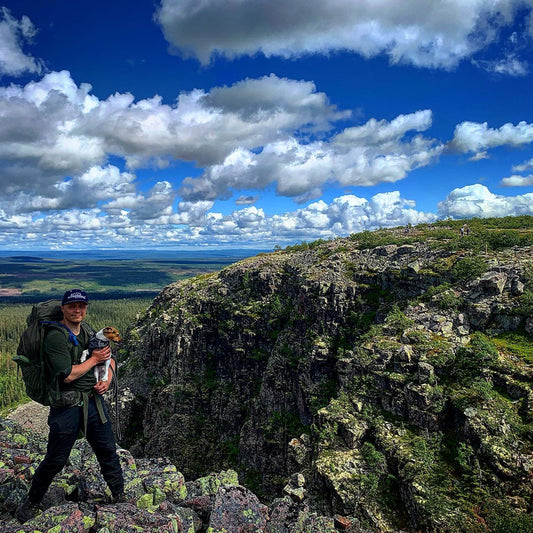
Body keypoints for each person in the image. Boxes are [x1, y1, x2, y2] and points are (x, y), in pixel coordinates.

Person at [16, 289, 125, 523]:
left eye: (81, 306)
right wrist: (94, 361)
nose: (77, 310)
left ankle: (119, 496)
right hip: (66, 405)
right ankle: (31, 502)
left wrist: (106, 379)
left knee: (107, 449)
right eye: (72, 306)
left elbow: (110, 358)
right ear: (63, 308)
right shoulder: (56, 336)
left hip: (92, 401)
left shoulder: (87, 332)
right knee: (56, 458)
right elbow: (66, 376)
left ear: (86, 308)